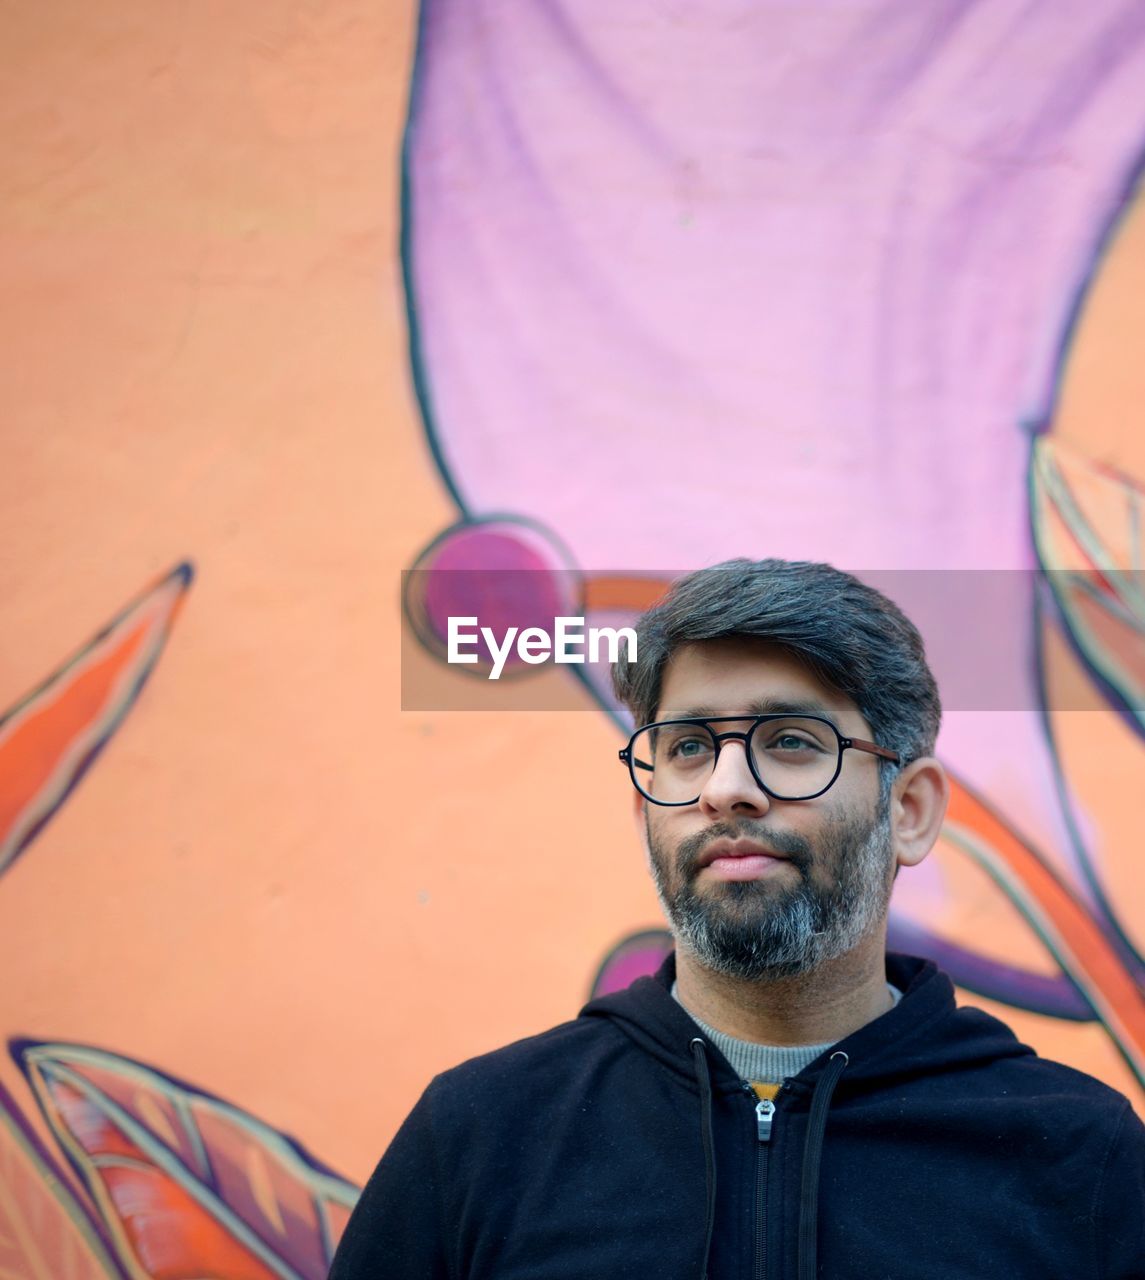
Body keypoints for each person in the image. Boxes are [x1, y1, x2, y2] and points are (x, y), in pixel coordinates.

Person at [330, 559, 1145, 1279]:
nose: (724, 788)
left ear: (909, 810)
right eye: (686, 747)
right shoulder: (482, 1136)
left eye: (789, 740)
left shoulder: (1078, 1154)